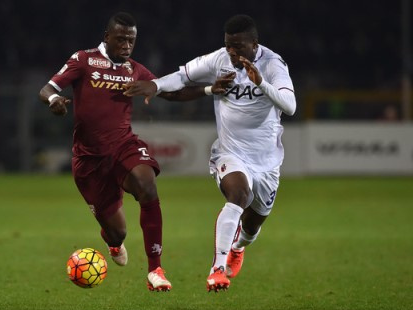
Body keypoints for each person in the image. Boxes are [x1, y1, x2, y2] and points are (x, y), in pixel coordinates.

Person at [124, 14, 296, 292]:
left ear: (254, 44)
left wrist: (261, 82)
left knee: (252, 226)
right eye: (228, 45)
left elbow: (290, 106)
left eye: (238, 46)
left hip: (267, 161)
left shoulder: (273, 64)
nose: (232, 52)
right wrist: (155, 86)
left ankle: (238, 248)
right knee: (238, 195)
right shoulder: (219, 60)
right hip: (231, 152)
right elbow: (181, 76)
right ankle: (217, 269)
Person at [39, 12, 208, 291]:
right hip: (89, 161)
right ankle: (113, 242)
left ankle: (156, 270)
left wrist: (211, 89)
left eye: (131, 40)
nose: (127, 45)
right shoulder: (84, 60)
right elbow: (48, 88)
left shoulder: (136, 69)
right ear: (107, 37)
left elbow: (172, 92)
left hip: (123, 146)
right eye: (121, 39)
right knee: (118, 232)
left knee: (147, 186)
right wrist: (55, 99)